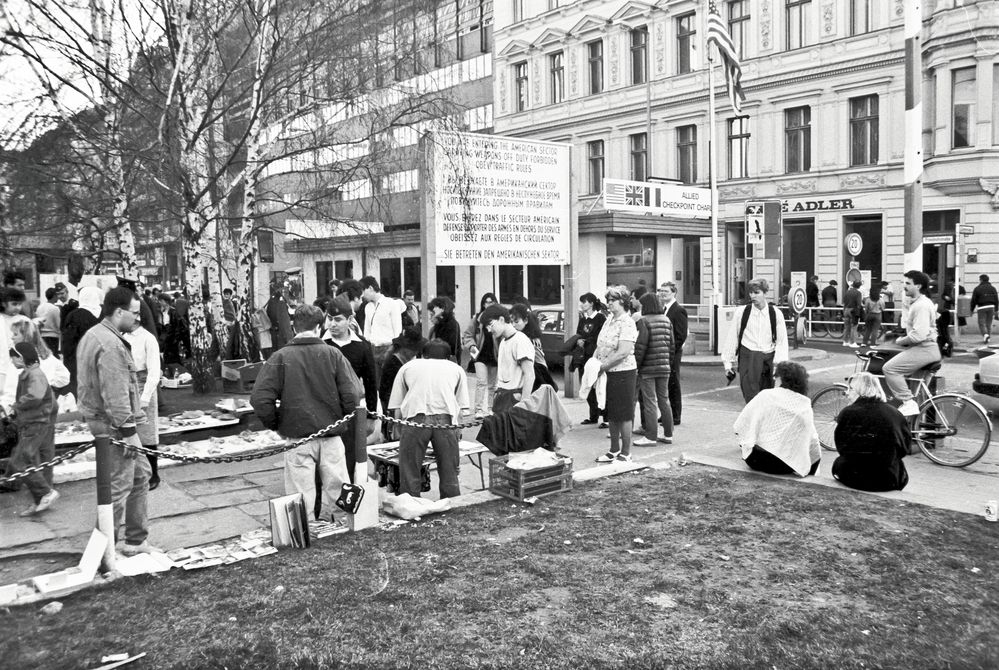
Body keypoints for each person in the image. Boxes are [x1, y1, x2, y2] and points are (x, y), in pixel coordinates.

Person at [251, 304, 360, 522]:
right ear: (320, 327)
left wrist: (276, 424)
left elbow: (260, 399)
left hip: (297, 435)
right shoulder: (333, 354)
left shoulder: (280, 357)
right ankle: (343, 525)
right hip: (331, 434)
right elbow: (353, 395)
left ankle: (303, 530)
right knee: (339, 488)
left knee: (299, 494)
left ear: (293, 326)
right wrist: (341, 417)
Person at [76, 286, 159, 555]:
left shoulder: (95, 335)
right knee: (118, 488)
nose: (137, 319)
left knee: (141, 474)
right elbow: (116, 396)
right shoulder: (111, 345)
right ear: (119, 311)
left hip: (107, 421)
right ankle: (102, 553)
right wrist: (129, 433)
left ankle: (136, 540)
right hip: (114, 425)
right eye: (134, 313)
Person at [388, 338, 470, 499]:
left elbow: (397, 405)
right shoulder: (456, 369)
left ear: (423, 354)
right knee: (449, 471)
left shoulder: (408, 367)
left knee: (410, 469)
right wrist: (457, 431)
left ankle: (410, 505)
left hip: (415, 418)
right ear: (448, 357)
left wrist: (397, 430)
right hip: (446, 420)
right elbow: (461, 408)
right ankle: (452, 506)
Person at [734, 361, 820, 477]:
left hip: (756, 460)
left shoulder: (766, 395)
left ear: (782, 379)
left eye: (776, 377)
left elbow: (741, 423)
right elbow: (812, 440)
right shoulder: (804, 405)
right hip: (785, 465)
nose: (774, 380)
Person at [832, 372, 910, 491]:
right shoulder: (896, 413)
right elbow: (904, 448)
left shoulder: (848, 413)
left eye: (851, 389)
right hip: (889, 479)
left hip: (855, 477)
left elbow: (842, 448)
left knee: (839, 463)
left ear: (862, 391)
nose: (846, 393)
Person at [7, 342, 59, 516]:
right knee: (34, 462)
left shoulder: (34, 374)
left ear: (21, 357)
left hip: (35, 423)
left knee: (19, 463)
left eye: (13, 358)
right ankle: (40, 500)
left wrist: (15, 407)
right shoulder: (31, 373)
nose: (12, 362)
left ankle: (45, 493)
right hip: (36, 422)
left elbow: (35, 396)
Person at [721, 278, 790, 404]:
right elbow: (732, 337)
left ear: (765, 293)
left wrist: (779, 366)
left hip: (767, 361)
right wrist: (728, 364)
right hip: (748, 359)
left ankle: (763, 423)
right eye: (751, 293)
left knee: (767, 399)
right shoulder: (742, 312)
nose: (753, 296)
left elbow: (781, 342)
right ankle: (754, 422)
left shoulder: (776, 314)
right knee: (751, 399)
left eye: (757, 292)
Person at [884, 270, 942, 416]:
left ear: (918, 286)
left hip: (924, 348)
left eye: (908, 283)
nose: (904, 286)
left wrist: (900, 341)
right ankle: (919, 431)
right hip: (929, 350)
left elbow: (918, 335)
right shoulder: (921, 302)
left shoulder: (920, 305)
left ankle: (907, 402)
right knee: (919, 394)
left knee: (890, 369)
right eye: (904, 283)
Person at [592, 286, 639, 464]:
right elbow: (601, 344)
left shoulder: (627, 322)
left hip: (623, 373)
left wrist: (602, 366)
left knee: (624, 414)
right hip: (608, 371)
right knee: (612, 413)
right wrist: (594, 361)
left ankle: (626, 453)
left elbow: (623, 352)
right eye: (608, 300)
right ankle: (613, 450)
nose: (609, 303)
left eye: (613, 300)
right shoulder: (609, 320)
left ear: (623, 302)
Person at [124, 320, 163, 490]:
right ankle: (136, 473)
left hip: (144, 381)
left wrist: (146, 397)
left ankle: (153, 473)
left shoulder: (148, 338)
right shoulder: (121, 336)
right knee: (130, 428)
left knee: (147, 430)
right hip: (127, 381)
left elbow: (154, 371)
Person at [633, 292, 674, 446]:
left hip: (648, 368)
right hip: (664, 367)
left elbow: (640, 347)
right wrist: (667, 363)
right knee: (664, 400)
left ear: (647, 306)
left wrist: (637, 366)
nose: (641, 308)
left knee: (650, 402)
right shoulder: (666, 320)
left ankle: (650, 437)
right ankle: (668, 435)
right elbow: (672, 346)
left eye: (642, 305)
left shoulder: (644, 321)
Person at [480, 304, 535, 415]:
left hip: (514, 400)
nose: (489, 330)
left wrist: (523, 405)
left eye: (490, 324)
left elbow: (530, 374)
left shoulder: (520, 340)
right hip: (502, 398)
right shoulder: (503, 342)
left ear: (501, 319)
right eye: (486, 327)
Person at [462, 293, 499, 419]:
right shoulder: (477, 318)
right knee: (481, 382)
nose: (489, 304)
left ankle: (490, 408)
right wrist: (472, 347)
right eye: (487, 302)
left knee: (493, 385)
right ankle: (478, 410)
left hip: (495, 355)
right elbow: (468, 334)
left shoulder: (500, 318)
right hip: (480, 355)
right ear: (483, 304)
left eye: (492, 302)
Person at [61, 286, 103, 395]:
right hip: (101, 360)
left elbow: (68, 343)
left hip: (79, 361)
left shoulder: (74, 315)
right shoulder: (104, 314)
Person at [360, 276, 402, 382]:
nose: (362, 295)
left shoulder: (391, 304)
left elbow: (398, 330)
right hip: (372, 349)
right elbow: (367, 330)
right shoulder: (367, 307)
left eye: (363, 291)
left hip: (388, 348)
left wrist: (394, 349)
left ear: (370, 288)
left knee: (387, 383)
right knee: (375, 383)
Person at [575, 292, 607, 427]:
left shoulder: (600, 318)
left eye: (585, 302)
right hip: (583, 357)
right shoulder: (582, 319)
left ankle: (606, 417)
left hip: (595, 357)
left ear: (592, 303)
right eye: (581, 302)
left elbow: (601, 337)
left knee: (600, 386)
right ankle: (593, 416)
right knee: (586, 384)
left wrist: (587, 341)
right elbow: (578, 334)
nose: (582, 304)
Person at [509, 303, 557, 392]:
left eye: (516, 322)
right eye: (511, 322)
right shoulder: (521, 335)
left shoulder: (529, 339)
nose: (513, 325)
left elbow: (539, 362)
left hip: (536, 374)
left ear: (526, 320)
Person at [659, 281, 687, 426]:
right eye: (661, 291)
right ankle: (666, 414)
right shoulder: (663, 309)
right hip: (664, 352)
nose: (663, 293)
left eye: (666, 291)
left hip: (673, 353)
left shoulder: (678, 310)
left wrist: (670, 351)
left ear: (674, 293)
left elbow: (681, 335)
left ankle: (675, 416)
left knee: (673, 384)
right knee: (665, 384)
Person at [428, 296, 461, 364]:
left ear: (442, 309)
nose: (432, 314)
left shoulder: (452, 324)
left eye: (434, 311)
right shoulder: (438, 325)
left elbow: (452, 347)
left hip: (446, 362)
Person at [265, 284, 293, 354]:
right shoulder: (280, 303)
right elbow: (284, 323)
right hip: (281, 337)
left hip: (274, 335)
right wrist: (289, 339)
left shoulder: (271, 301)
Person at [970, 274, 998, 344]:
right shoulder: (993, 288)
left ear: (981, 280)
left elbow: (974, 300)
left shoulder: (977, 288)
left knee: (981, 323)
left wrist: (971, 310)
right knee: (988, 323)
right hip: (991, 307)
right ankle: (988, 338)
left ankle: (985, 335)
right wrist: (996, 310)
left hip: (982, 307)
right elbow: (996, 299)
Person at [34, 287, 62, 357]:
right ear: (54, 296)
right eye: (57, 295)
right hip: (53, 336)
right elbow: (58, 325)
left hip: (41, 335)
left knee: (45, 356)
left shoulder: (40, 307)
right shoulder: (55, 308)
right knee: (53, 357)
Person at [842, 280, 863, 347]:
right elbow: (859, 304)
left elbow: (844, 301)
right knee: (854, 327)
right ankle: (852, 342)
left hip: (846, 309)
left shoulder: (847, 292)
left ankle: (845, 341)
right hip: (853, 310)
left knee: (846, 327)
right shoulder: (858, 293)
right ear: (859, 286)